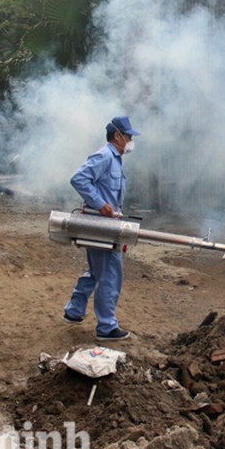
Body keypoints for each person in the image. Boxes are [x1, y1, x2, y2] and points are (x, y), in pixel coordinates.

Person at [62, 116, 140, 341]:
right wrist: (101, 204)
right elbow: (79, 179)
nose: (131, 141)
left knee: (96, 271)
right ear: (117, 136)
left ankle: (74, 311)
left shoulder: (115, 159)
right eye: (128, 136)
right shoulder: (105, 156)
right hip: (101, 224)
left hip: (106, 224)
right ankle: (106, 327)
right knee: (110, 274)